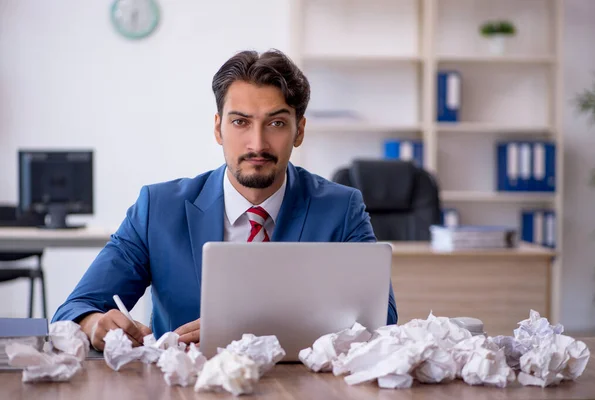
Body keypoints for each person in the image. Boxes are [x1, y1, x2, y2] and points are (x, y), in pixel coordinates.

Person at [52, 49, 398, 350]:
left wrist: (253, 332)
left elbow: (382, 319)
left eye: (276, 123)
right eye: (240, 122)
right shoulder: (157, 208)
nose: (257, 144)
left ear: (299, 130)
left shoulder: (341, 208)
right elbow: (75, 308)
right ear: (218, 128)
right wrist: (93, 324)